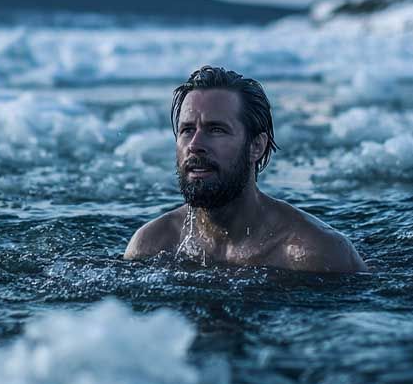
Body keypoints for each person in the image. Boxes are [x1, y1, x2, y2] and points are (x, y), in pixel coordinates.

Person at [124, 66, 366, 273]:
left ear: (256, 146)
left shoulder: (313, 253)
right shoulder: (152, 246)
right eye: (187, 130)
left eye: (216, 129)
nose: (195, 145)